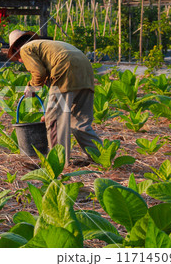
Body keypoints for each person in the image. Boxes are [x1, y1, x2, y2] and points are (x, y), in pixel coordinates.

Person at [7, 30, 102, 165]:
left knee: (55, 122)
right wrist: (50, 112)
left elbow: (38, 73)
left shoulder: (26, 49)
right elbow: (57, 92)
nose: (22, 61)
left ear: (16, 49)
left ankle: (57, 163)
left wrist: (31, 87)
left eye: (19, 59)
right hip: (85, 70)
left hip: (66, 70)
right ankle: (101, 157)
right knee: (80, 123)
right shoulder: (48, 47)